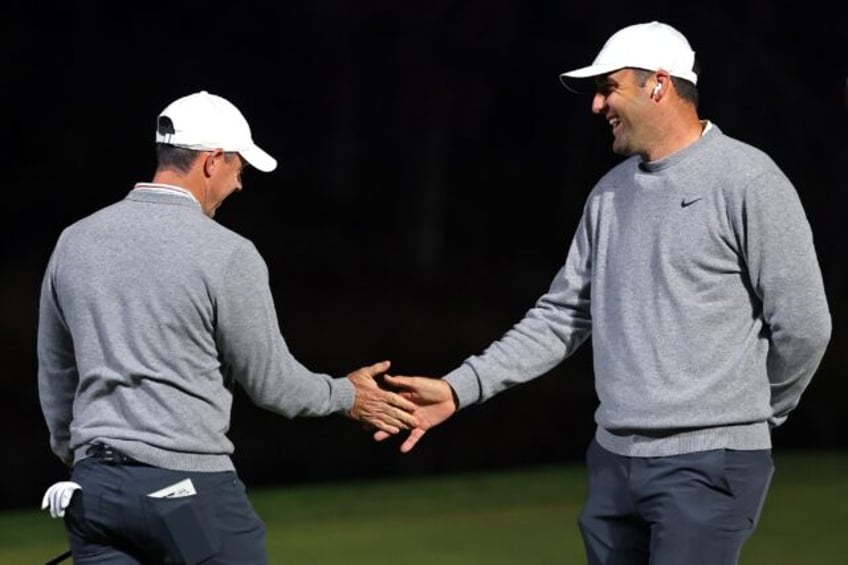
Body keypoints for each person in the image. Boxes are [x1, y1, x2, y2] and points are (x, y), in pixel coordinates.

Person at [377, 21, 832, 565]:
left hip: (708, 462)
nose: (597, 106)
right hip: (613, 463)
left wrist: (751, 414)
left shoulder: (749, 181)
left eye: (608, 87)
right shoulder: (609, 195)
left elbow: (805, 327)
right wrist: (458, 389)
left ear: (658, 86)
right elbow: (560, 318)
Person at [37, 90, 417, 564]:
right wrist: (348, 396)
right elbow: (274, 386)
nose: (239, 185)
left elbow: (55, 373)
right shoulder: (228, 254)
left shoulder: (74, 241)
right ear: (212, 161)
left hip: (93, 497)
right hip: (185, 497)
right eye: (239, 169)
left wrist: (81, 460)